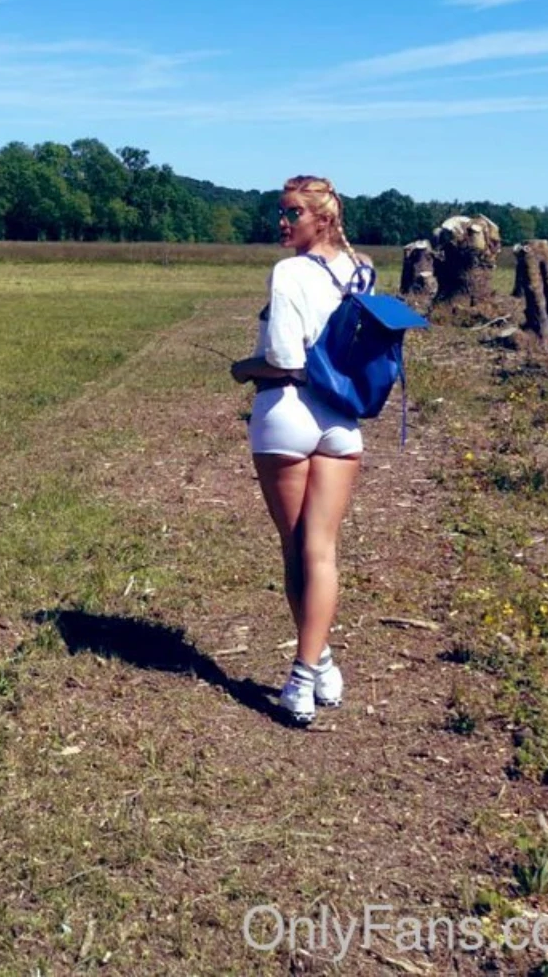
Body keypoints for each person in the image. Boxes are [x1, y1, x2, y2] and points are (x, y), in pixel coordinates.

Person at [229, 176, 374, 725]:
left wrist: (243, 368)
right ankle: (318, 664)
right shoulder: (362, 270)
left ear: (323, 218)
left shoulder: (288, 272)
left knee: (297, 551)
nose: (282, 222)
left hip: (287, 415)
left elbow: (286, 361)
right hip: (342, 420)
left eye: (293, 213)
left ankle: (303, 677)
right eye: (281, 211)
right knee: (323, 551)